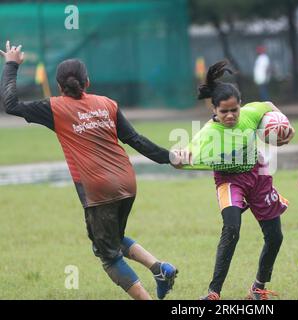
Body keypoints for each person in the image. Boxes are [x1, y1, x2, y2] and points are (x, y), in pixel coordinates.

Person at [0, 41, 182, 300]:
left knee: (106, 254)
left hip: (99, 190)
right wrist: (169, 157)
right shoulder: (107, 103)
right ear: (88, 81)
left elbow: (11, 104)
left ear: (60, 86)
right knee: (113, 238)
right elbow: (136, 140)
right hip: (128, 183)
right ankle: (160, 268)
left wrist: (11, 64)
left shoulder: (54, 107)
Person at [188, 60, 294, 300]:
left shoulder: (249, 114)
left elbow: (267, 105)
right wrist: (181, 156)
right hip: (228, 181)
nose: (230, 115)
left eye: (234, 110)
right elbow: (188, 153)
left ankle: (258, 288)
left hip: (258, 176)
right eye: (223, 111)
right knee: (232, 229)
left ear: (240, 106)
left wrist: (287, 125)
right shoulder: (208, 133)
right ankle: (213, 292)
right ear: (213, 109)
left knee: (275, 236)